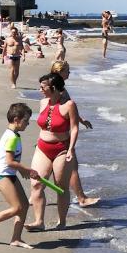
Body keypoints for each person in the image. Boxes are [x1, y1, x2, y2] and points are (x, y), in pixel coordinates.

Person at [0, 103, 40, 248]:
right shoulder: (12, 137)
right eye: (26, 120)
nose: (27, 124)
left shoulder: (14, 135)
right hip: (1, 176)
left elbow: (12, 161)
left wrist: (21, 170)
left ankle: (16, 239)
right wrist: (27, 169)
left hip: (9, 174)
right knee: (16, 208)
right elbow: (9, 161)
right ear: (16, 119)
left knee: (24, 205)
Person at [25, 72, 79, 231]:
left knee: (60, 187)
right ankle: (38, 221)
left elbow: (74, 128)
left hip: (62, 149)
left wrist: (70, 149)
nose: (40, 90)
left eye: (43, 87)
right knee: (36, 183)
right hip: (42, 148)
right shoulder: (43, 102)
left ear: (53, 87)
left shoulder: (69, 105)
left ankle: (61, 222)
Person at [50, 60, 99, 208]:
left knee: (48, 169)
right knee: (72, 167)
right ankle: (81, 198)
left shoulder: (52, 88)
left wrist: (81, 119)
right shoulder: (60, 91)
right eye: (67, 71)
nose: (69, 73)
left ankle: (35, 196)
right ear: (60, 72)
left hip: (53, 132)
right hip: (62, 134)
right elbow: (65, 109)